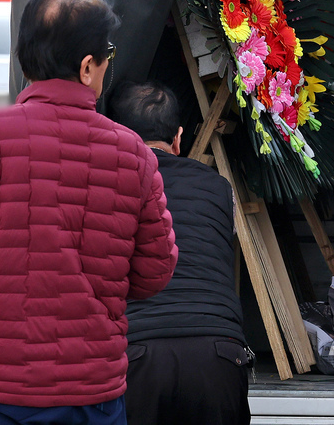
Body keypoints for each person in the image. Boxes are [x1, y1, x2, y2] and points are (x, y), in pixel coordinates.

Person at [0, 0, 177, 425]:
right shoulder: (132, 153)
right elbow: (154, 271)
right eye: (107, 56)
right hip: (90, 387)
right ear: (86, 68)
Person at [106, 81, 252, 425]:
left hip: (139, 356)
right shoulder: (219, 188)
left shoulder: (106, 187)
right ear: (178, 137)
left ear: (114, 135)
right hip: (220, 357)